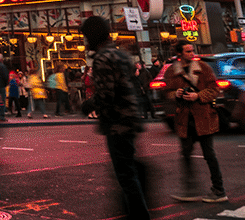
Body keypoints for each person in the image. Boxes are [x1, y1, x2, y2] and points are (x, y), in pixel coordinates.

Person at [84, 16, 149, 219]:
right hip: (130, 118)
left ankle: (139, 215)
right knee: (129, 171)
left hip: (117, 123)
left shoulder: (102, 59)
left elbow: (106, 95)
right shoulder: (121, 55)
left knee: (126, 176)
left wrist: (88, 105)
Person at [164, 42, 226, 203]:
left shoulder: (203, 68)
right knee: (185, 154)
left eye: (192, 50)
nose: (192, 53)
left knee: (209, 155)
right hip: (185, 120)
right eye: (188, 51)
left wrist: (197, 96)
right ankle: (190, 189)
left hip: (203, 117)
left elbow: (214, 89)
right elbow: (167, 93)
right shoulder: (172, 71)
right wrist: (176, 94)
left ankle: (219, 190)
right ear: (179, 53)